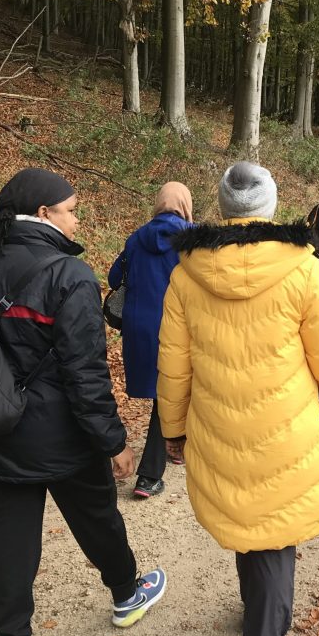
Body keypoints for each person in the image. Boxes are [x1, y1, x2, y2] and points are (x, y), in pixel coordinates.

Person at [157, 162, 319, 636]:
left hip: (220, 426)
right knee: (273, 534)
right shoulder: (304, 268)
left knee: (249, 516)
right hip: (288, 427)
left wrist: (173, 430)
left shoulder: (186, 273)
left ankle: (256, 617)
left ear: (223, 210)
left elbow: (173, 365)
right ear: (270, 207)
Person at [0, 168, 166, 636]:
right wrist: (113, 442)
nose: (76, 218)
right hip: (63, 437)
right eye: (71, 209)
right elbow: (86, 372)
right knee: (96, 519)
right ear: (43, 214)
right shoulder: (70, 276)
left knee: (9, 542)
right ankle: (125, 595)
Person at [108, 182, 194, 498]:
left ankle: (125, 455)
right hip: (177, 328)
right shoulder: (193, 238)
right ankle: (151, 474)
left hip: (139, 327)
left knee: (161, 393)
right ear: (185, 204)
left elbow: (115, 278)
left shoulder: (136, 238)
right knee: (172, 392)